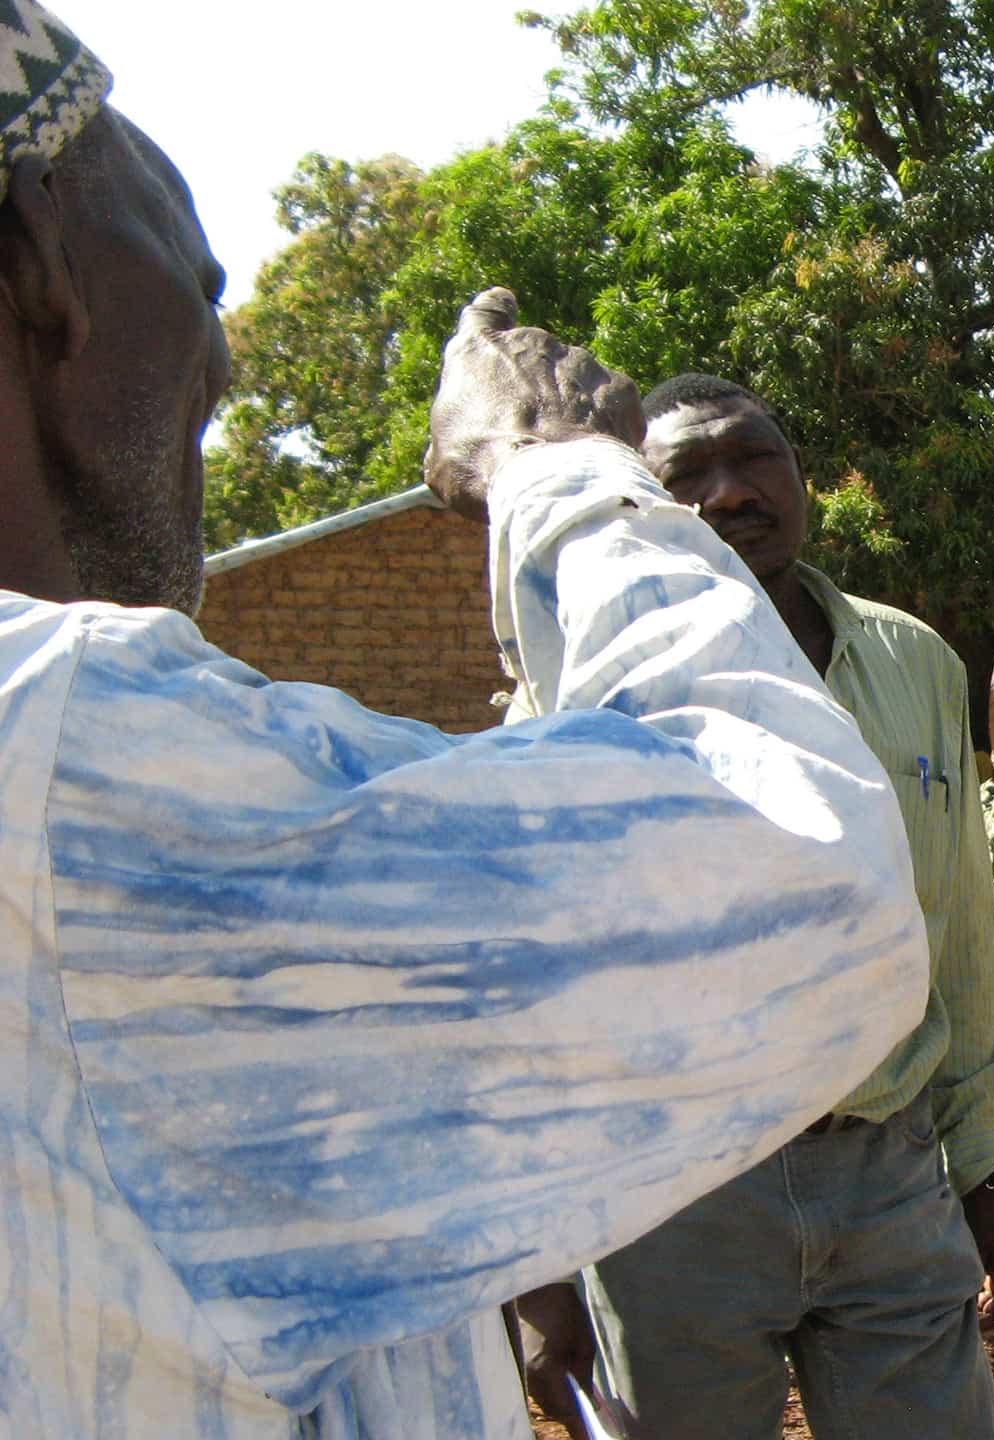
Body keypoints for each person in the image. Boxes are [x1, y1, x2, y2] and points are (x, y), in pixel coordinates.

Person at [0, 8, 931, 1435]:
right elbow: (808, 877)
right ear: (49, 266)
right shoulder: (66, 760)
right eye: (190, 258)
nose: (219, 332)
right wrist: (558, 470)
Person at [550, 373, 994, 1440]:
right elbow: (553, 971)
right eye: (685, 475)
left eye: (753, 458)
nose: (728, 492)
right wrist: (541, 1264)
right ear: (645, 506)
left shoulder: (913, 665)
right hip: (680, 1198)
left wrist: (977, 1166)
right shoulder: (590, 684)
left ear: (802, 479)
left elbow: (956, 924)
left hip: (886, 1174)